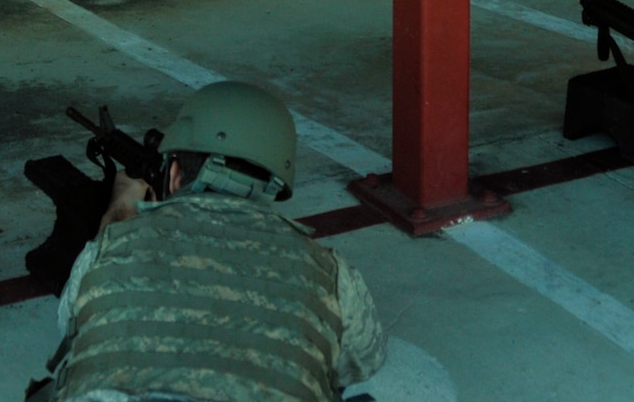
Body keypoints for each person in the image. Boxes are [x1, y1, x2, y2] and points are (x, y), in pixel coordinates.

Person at [30, 81, 387, 402]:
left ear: (172, 173)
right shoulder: (330, 271)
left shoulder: (108, 249)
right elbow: (366, 359)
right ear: (277, 181)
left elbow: (73, 324)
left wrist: (122, 208)